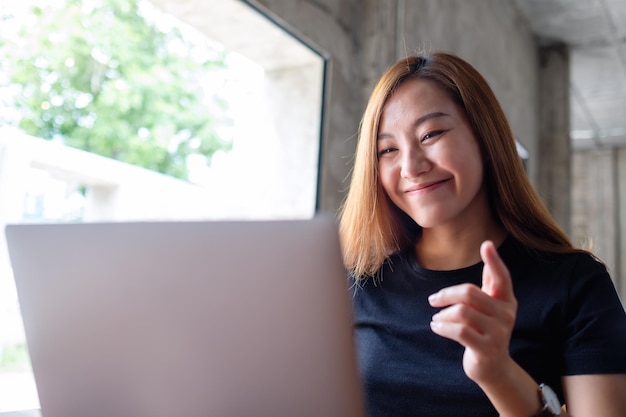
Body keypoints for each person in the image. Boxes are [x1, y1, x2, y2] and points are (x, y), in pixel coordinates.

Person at [338, 52, 626, 417]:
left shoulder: (575, 285)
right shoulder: (357, 283)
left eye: (431, 134)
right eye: (388, 149)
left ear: (485, 138)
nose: (411, 166)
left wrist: (499, 373)